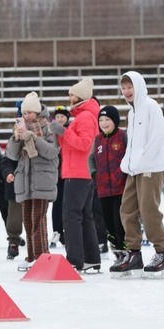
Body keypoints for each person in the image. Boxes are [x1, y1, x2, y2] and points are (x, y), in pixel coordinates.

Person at [110, 71, 164, 278]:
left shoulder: (151, 106)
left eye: (130, 87)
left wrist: (144, 160)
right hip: (134, 169)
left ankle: (161, 253)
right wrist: (127, 163)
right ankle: (134, 253)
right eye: (124, 88)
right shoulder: (132, 112)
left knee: (148, 210)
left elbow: (160, 134)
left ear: (139, 86)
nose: (127, 91)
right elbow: (133, 144)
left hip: (151, 168)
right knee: (127, 209)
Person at [48, 78, 101, 272]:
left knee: (71, 216)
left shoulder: (85, 116)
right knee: (85, 216)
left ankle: (74, 259)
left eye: (72, 94)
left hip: (78, 172)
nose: (69, 98)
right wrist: (60, 134)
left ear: (81, 96)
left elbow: (85, 144)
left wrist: (63, 131)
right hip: (80, 172)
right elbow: (71, 145)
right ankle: (91, 258)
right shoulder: (83, 116)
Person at [6, 92, 60, 271]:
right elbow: (11, 155)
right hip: (25, 180)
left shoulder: (49, 127)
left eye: (30, 112)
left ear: (37, 111)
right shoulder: (20, 128)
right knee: (27, 221)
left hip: (42, 179)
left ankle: (42, 256)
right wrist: (16, 138)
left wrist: (33, 137)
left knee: (38, 219)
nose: (27, 116)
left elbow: (52, 152)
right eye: (24, 112)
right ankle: (31, 256)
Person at [89, 105, 128, 262]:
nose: (104, 123)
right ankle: (117, 253)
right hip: (103, 189)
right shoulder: (97, 139)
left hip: (122, 189)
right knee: (109, 225)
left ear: (115, 121)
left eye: (107, 120)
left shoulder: (123, 136)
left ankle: (125, 253)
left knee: (120, 224)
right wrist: (94, 173)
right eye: (101, 120)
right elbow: (91, 158)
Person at [50, 106, 70, 248]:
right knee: (56, 203)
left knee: (67, 203)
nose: (60, 119)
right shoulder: (52, 132)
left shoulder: (70, 131)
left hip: (69, 172)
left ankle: (65, 232)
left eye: (63, 116)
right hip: (55, 173)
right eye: (57, 117)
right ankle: (57, 231)